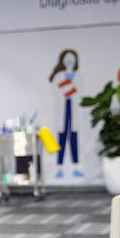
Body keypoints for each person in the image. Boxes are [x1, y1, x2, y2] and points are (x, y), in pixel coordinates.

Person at [48, 49, 84, 178]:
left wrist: (69, 89)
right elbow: (55, 91)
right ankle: (59, 168)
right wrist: (68, 89)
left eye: (72, 58)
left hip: (73, 108)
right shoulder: (58, 76)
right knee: (61, 139)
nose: (69, 60)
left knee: (73, 138)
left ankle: (76, 167)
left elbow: (79, 91)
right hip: (62, 109)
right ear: (62, 60)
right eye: (67, 58)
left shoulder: (78, 76)